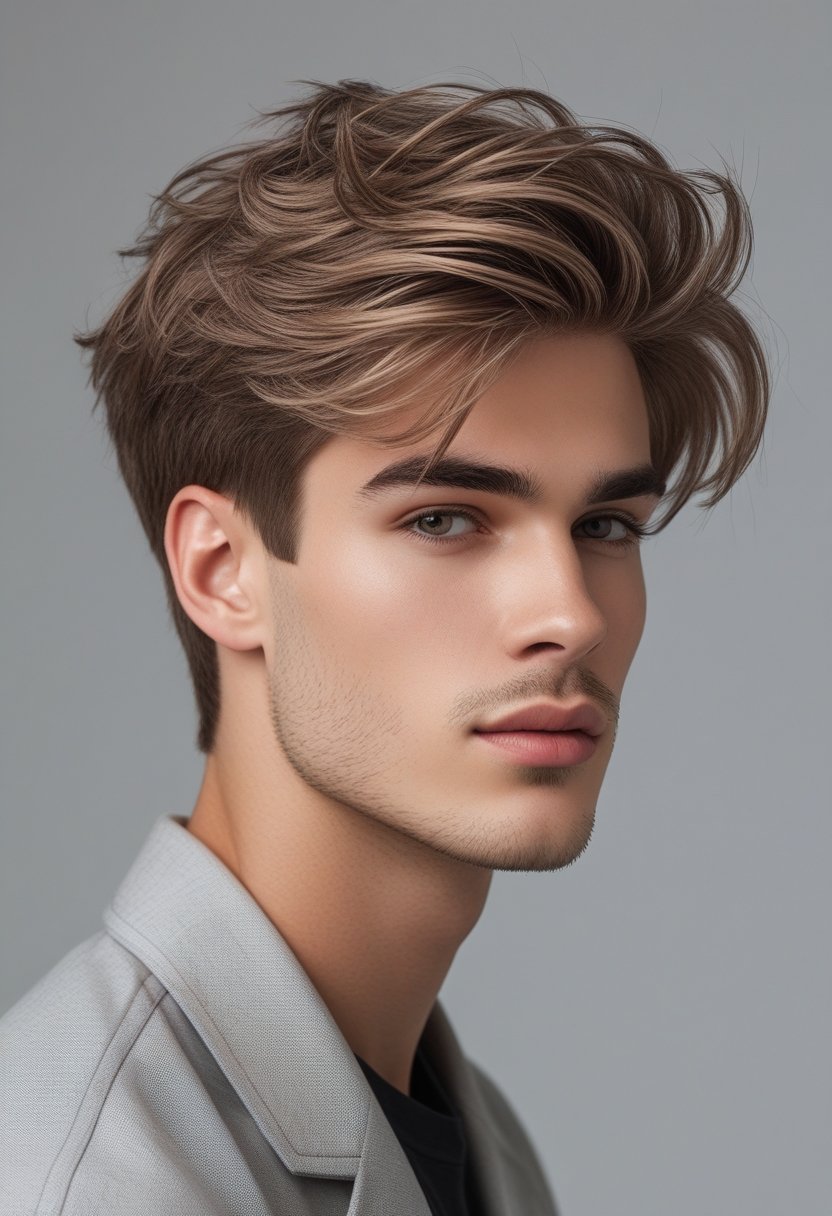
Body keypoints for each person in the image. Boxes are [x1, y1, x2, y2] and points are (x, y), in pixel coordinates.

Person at [0, 79, 770, 1216]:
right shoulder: (92, 1178)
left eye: (605, 525)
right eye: (445, 519)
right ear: (223, 569)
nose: (571, 611)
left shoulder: (472, 1130)